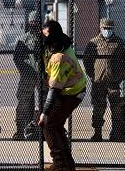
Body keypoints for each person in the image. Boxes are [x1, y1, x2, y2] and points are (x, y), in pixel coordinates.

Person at [38, 20, 86, 171]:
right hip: (67, 90)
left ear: (53, 37)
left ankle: (60, 164)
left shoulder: (59, 57)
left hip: (72, 92)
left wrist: (44, 113)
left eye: (46, 37)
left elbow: (54, 90)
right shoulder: (59, 43)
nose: (44, 40)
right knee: (56, 124)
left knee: (48, 124)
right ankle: (67, 163)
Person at [82, 18, 125, 141]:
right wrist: (92, 75)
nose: (107, 31)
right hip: (98, 83)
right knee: (98, 109)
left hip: (115, 83)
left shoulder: (120, 43)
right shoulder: (93, 42)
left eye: (109, 29)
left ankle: (117, 134)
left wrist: (121, 73)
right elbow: (87, 61)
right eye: (105, 28)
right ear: (100, 28)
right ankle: (97, 133)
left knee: (118, 110)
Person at [13, 10, 41, 139]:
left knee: (46, 103)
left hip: (42, 76)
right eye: (32, 21)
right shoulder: (24, 39)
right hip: (28, 75)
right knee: (23, 102)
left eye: (36, 21)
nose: (34, 23)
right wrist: (24, 70)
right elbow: (17, 58)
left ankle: (43, 130)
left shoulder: (47, 38)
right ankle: (20, 130)